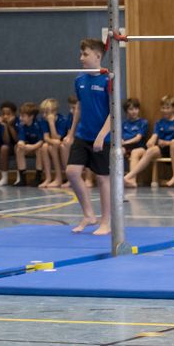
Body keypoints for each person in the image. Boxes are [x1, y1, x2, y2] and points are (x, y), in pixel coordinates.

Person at [64, 38, 113, 234]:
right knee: (72, 172)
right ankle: (89, 215)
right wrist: (71, 133)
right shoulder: (79, 79)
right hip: (83, 135)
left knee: (103, 179)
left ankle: (106, 221)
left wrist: (102, 135)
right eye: (81, 54)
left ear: (98, 56)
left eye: (85, 54)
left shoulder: (108, 79)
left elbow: (114, 111)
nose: (81, 58)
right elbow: (79, 107)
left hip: (103, 137)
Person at [125, 95, 174, 188]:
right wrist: (151, 141)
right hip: (162, 149)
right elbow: (154, 135)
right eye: (163, 108)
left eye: (167, 108)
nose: (165, 110)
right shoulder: (159, 122)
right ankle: (130, 177)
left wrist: (167, 143)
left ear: (173, 108)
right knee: (151, 150)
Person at [13, 102, 46, 186]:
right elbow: (21, 139)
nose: (20, 118)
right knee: (19, 149)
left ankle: (38, 177)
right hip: (29, 147)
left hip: (38, 146)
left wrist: (32, 147)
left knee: (39, 150)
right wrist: (21, 143)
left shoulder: (39, 124)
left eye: (23, 116)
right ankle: (22, 178)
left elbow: (42, 141)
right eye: (20, 116)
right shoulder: (22, 125)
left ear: (31, 116)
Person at [37, 98, 66, 188]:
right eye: (43, 112)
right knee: (44, 147)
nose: (44, 115)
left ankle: (59, 178)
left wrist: (51, 123)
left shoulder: (62, 120)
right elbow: (46, 138)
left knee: (51, 147)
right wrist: (53, 141)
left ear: (55, 112)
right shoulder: (43, 120)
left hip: (63, 144)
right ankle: (48, 178)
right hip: (53, 143)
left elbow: (57, 137)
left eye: (47, 112)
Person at [120, 98, 149, 171]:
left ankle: (131, 177)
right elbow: (121, 137)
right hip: (126, 147)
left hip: (140, 147)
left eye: (136, 109)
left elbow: (137, 138)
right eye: (131, 109)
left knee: (134, 153)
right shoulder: (124, 123)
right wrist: (121, 141)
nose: (134, 111)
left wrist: (125, 142)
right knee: (118, 152)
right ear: (126, 111)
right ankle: (118, 175)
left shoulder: (143, 122)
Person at [0, 101, 19, 186]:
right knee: (4, 148)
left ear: (14, 114)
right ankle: (4, 177)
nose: (5, 116)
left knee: (17, 147)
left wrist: (10, 126)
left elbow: (17, 139)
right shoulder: (0, 123)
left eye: (8, 114)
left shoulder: (18, 122)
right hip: (8, 146)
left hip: (19, 145)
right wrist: (5, 126)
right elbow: (6, 141)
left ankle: (19, 176)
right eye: (3, 114)